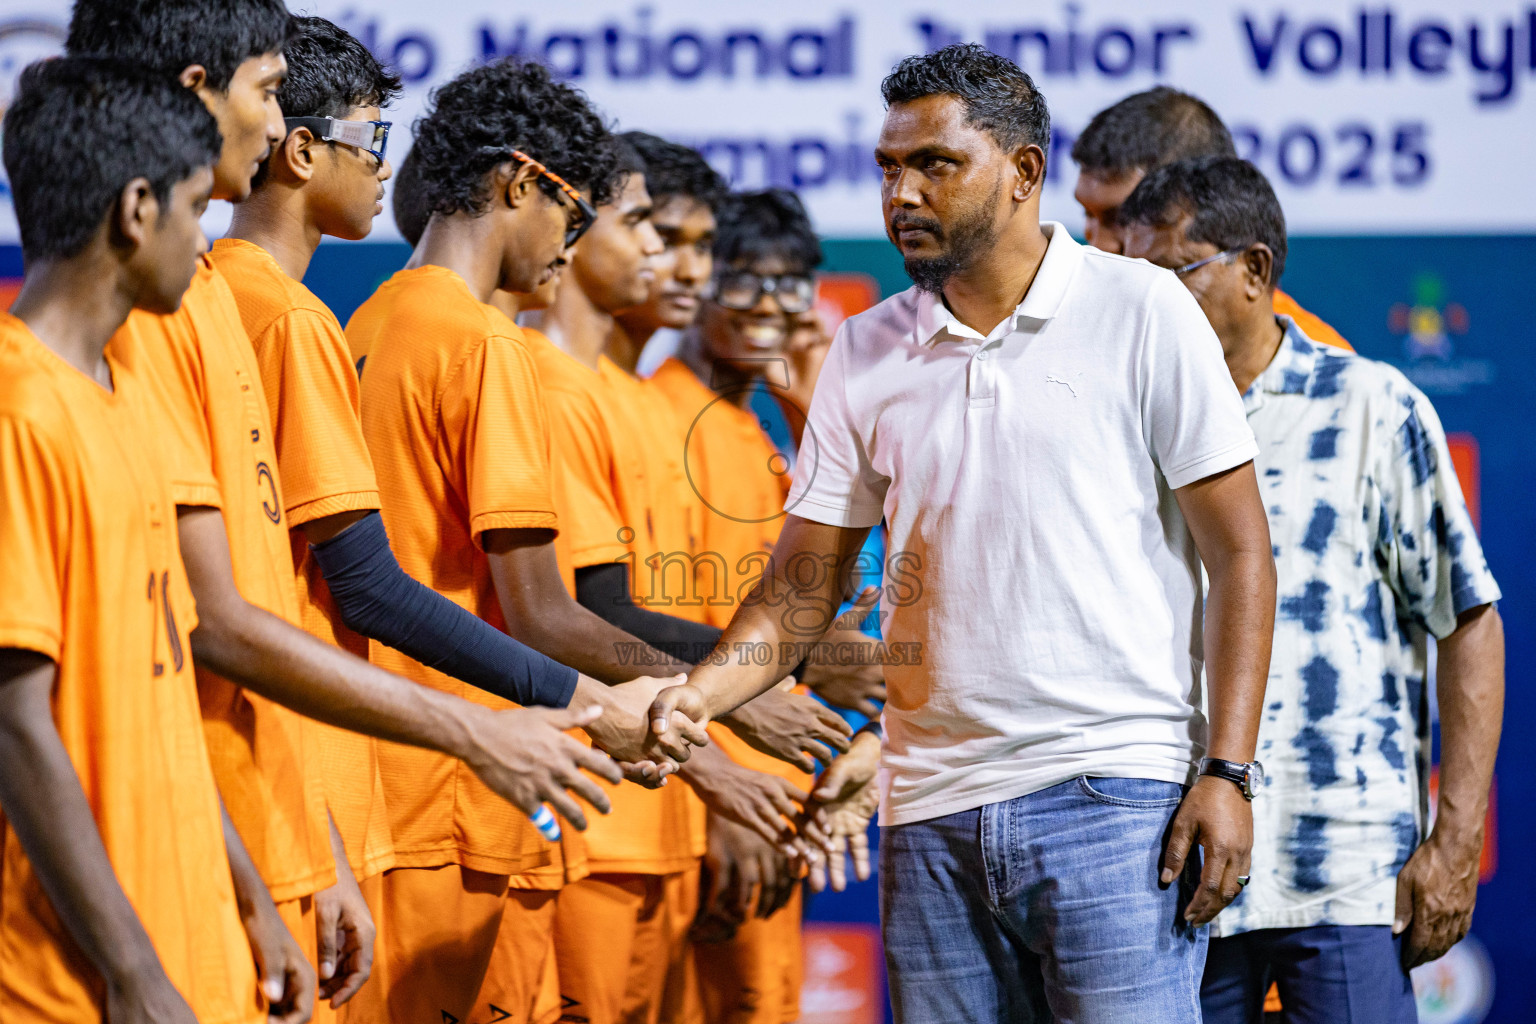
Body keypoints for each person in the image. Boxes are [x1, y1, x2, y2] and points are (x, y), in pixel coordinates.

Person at [649, 43, 1280, 1022]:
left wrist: (1229, 771)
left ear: (1024, 172)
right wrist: (697, 697)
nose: (901, 193)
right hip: (927, 814)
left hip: (1114, 797)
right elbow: (800, 590)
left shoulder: (1144, 308)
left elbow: (1240, 555)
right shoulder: (863, 346)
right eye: (888, 168)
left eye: (934, 164)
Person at [67, 7, 639, 1021]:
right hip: (362, 800)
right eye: (371, 136)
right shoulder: (286, 317)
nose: (382, 165)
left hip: (301, 798)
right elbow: (338, 594)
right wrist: (547, 710)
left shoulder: (276, 307)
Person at [1121, 157, 1505, 1024]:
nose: (1147, 305)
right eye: (1132, 280)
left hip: (1343, 871)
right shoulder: (1125, 423)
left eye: (1171, 274)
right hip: (1173, 869)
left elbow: (1468, 621)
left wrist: (1457, 838)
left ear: (1254, 271)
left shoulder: (1371, 406)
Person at [0, 55, 292, 1024]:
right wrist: (129, 968)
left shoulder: (121, 401)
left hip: (176, 940)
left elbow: (159, 688)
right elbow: (13, 720)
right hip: (66, 982)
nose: (202, 240)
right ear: (137, 210)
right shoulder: (18, 410)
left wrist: (247, 894)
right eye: (196, 209)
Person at [646, 185, 885, 1024]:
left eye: (791, 283)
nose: (770, 303)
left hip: (773, 800)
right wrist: (721, 795)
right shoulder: (665, 421)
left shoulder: (757, 432)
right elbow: (643, 632)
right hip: (704, 806)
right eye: (745, 277)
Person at [1070, 86, 1352, 351]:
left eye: (1121, 219)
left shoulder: (1323, 376)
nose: (1098, 246)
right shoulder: (1085, 335)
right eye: (1088, 214)